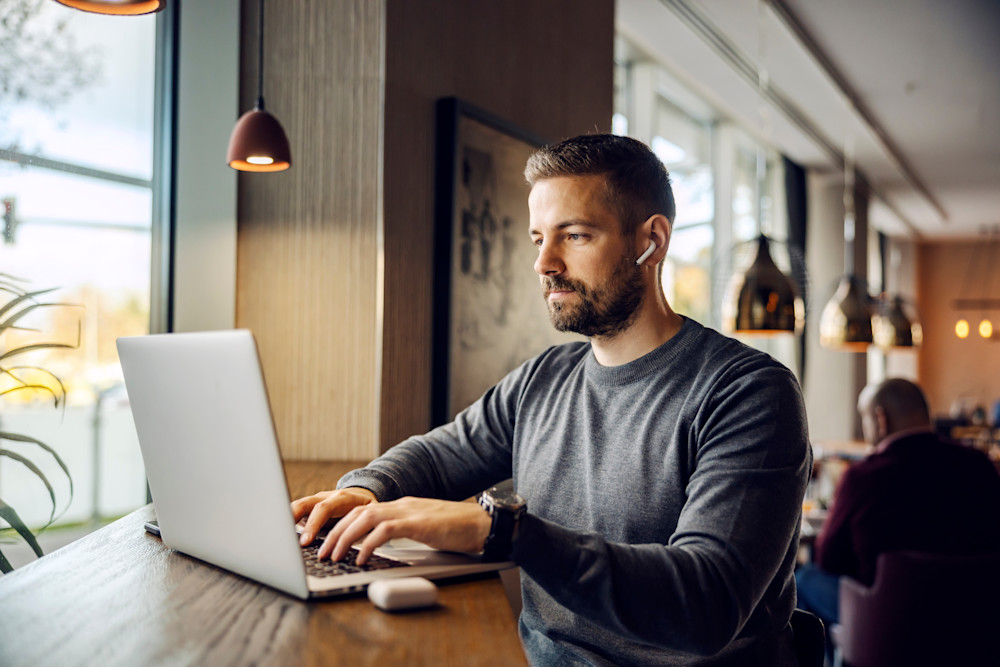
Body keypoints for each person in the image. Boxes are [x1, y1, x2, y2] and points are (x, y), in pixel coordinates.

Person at [293, 134, 811, 665]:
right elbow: (438, 454)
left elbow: (705, 604)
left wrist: (502, 531)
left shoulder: (747, 393)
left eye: (575, 235)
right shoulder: (544, 378)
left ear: (652, 240)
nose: (544, 262)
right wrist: (365, 490)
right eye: (538, 238)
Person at [796, 378, 1000, 628]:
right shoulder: (979, 466)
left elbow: (828, 559)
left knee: (803, 578)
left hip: (887, 622)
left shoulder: (863, 477)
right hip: (972, 618)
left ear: (881, 419)